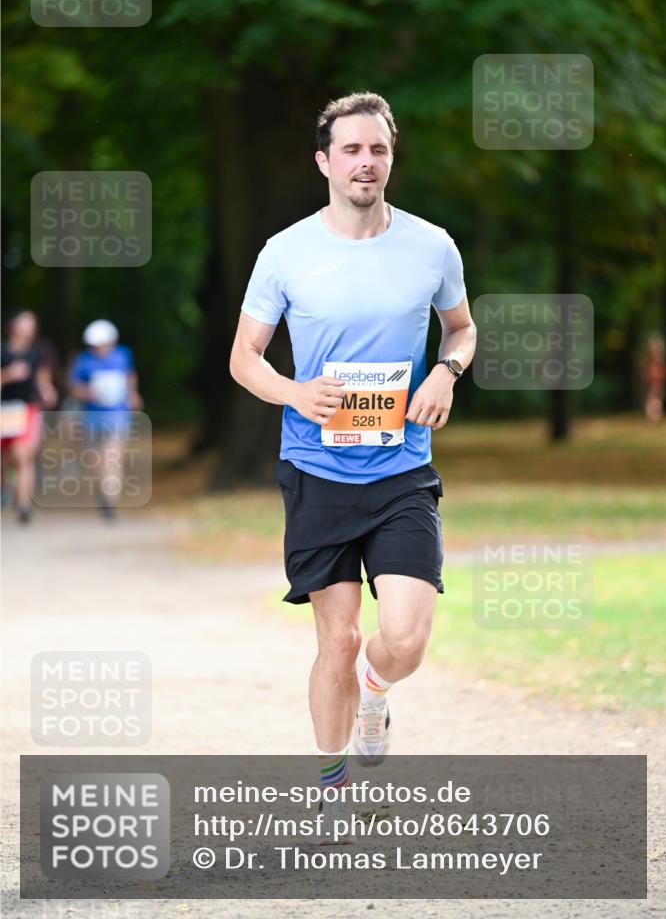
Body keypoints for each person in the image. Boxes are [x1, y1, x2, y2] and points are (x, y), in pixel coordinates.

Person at [229, 92, 476, 842]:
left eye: (377, 150)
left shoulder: (431, 245)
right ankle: (333, 788)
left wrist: (445, 371)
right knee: (334, 639)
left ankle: (376, 690)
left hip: (401, 469)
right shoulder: (285, 251)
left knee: (402, 640)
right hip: (317, 471)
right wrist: (295, 393)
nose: (364, 162)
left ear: (390, 158)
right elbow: (243, 357)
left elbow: (460, 331)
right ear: (324, 161)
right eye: (350, 150)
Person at [68, 320, 143, 519]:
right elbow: (74, 387)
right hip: (92, 417)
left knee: (113, 457)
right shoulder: (83, 360)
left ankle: (110, 500)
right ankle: (103, 491)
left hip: (117, 415)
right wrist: (88, 393)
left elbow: (129, 375)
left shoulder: (122, 355)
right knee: (95, 460)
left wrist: (132, 394)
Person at [1, 309, 57, 523]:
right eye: (25, 322)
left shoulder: (38, 351)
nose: (29, 327)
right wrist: (8, 375)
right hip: (4, 409)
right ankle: (5, 488)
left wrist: (47, 390)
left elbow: (43, 378)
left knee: (23, 455)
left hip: (27, 409)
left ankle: (24, 504)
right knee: (5, 459)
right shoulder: (2, 350)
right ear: (13, 325)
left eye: (32, 323)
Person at [641, 332, 666, 421]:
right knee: (653, 399)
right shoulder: (651, 361)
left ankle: (655, 415)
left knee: (656, 399)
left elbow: (661, 373)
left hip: (658, 383)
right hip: (653, 383)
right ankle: (654, 415)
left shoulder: (659, 361)